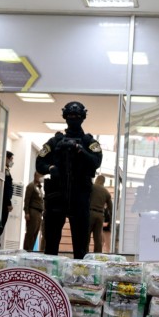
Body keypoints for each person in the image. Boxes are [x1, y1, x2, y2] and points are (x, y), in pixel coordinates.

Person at [35, 101, 103, 259]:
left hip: (80, 196)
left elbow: (96, 162)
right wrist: (51, 168)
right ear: (65, 117)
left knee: (81, 246)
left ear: (83, 117)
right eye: (71, 116)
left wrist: (81, 151)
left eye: (77, 116)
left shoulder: (89, 142)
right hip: (56, 195)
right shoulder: (55, 141)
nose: (74, 119)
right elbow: (40, 163)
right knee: (51, 243)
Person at [88, 175, 113, 253]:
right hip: (100, 216)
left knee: (86, 236)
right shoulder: (106, 192)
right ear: (103, 182)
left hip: (90, 213)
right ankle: (97, 255)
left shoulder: (91, 187)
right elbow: (110, 208)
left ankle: (84, 254)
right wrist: (111, 220)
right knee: (98, 238)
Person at [22, 172, 45, 251]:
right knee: (30, 232)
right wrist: (26, 212)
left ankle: (31, 249)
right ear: (36, 176)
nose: (42, 177)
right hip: (33, 211)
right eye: (41, 176)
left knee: (35, 232)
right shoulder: (31, 186)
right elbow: (27, 199)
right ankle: (26, 249)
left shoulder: (39, 188)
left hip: (39, 212)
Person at [1, 151, 14, 237]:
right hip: (3, 203)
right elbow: (6, 188)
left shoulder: (6, 170)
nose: (12, 161)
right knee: (0, 225)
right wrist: (8, 203)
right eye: (11, 159)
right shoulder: (4, 171)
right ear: (6, 158)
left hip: (4, 201)